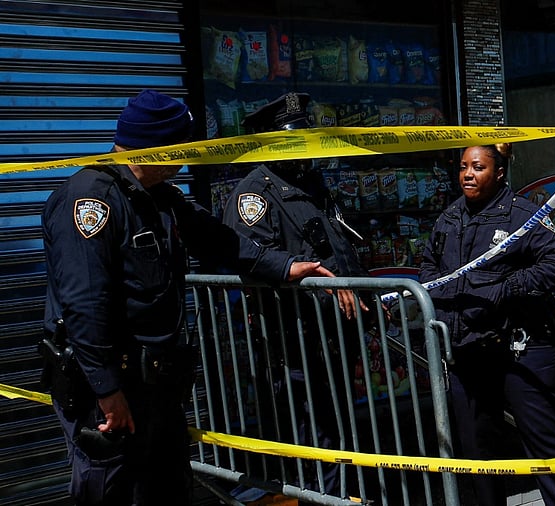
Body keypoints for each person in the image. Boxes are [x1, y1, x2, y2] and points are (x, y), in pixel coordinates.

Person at [41, 89, 331, 505]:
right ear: (158, 148)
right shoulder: (91, 200)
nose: (188, 158)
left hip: (155, 384)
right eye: (183, 147)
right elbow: (85, 304)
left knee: (164, 491)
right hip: (108, 391)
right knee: (112, 491)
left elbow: (221, 241)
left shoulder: (160, 198)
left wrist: (284, 267)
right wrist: (107, 391)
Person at [418, 143, 555, 506]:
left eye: (477, 167)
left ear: (498, 173)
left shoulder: (523, 217)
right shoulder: (449, 218)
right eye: (463, 166)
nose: (467, 174)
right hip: (468, 349)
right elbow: (429, 267)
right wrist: (449, 301)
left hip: (522, 349)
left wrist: (506, 289)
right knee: (478, 452)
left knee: (546, 447)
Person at [220, 92, 372, 496]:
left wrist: (364, 295)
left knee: (338, 428)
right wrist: (316, 281)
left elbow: (337, 249)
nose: (304, 148)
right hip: (294, 340)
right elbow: (252, 259)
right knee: (310, 434)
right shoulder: (255, 194)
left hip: (333, 336)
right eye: (293, 141)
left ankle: (342, 495)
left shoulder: (311, 185)